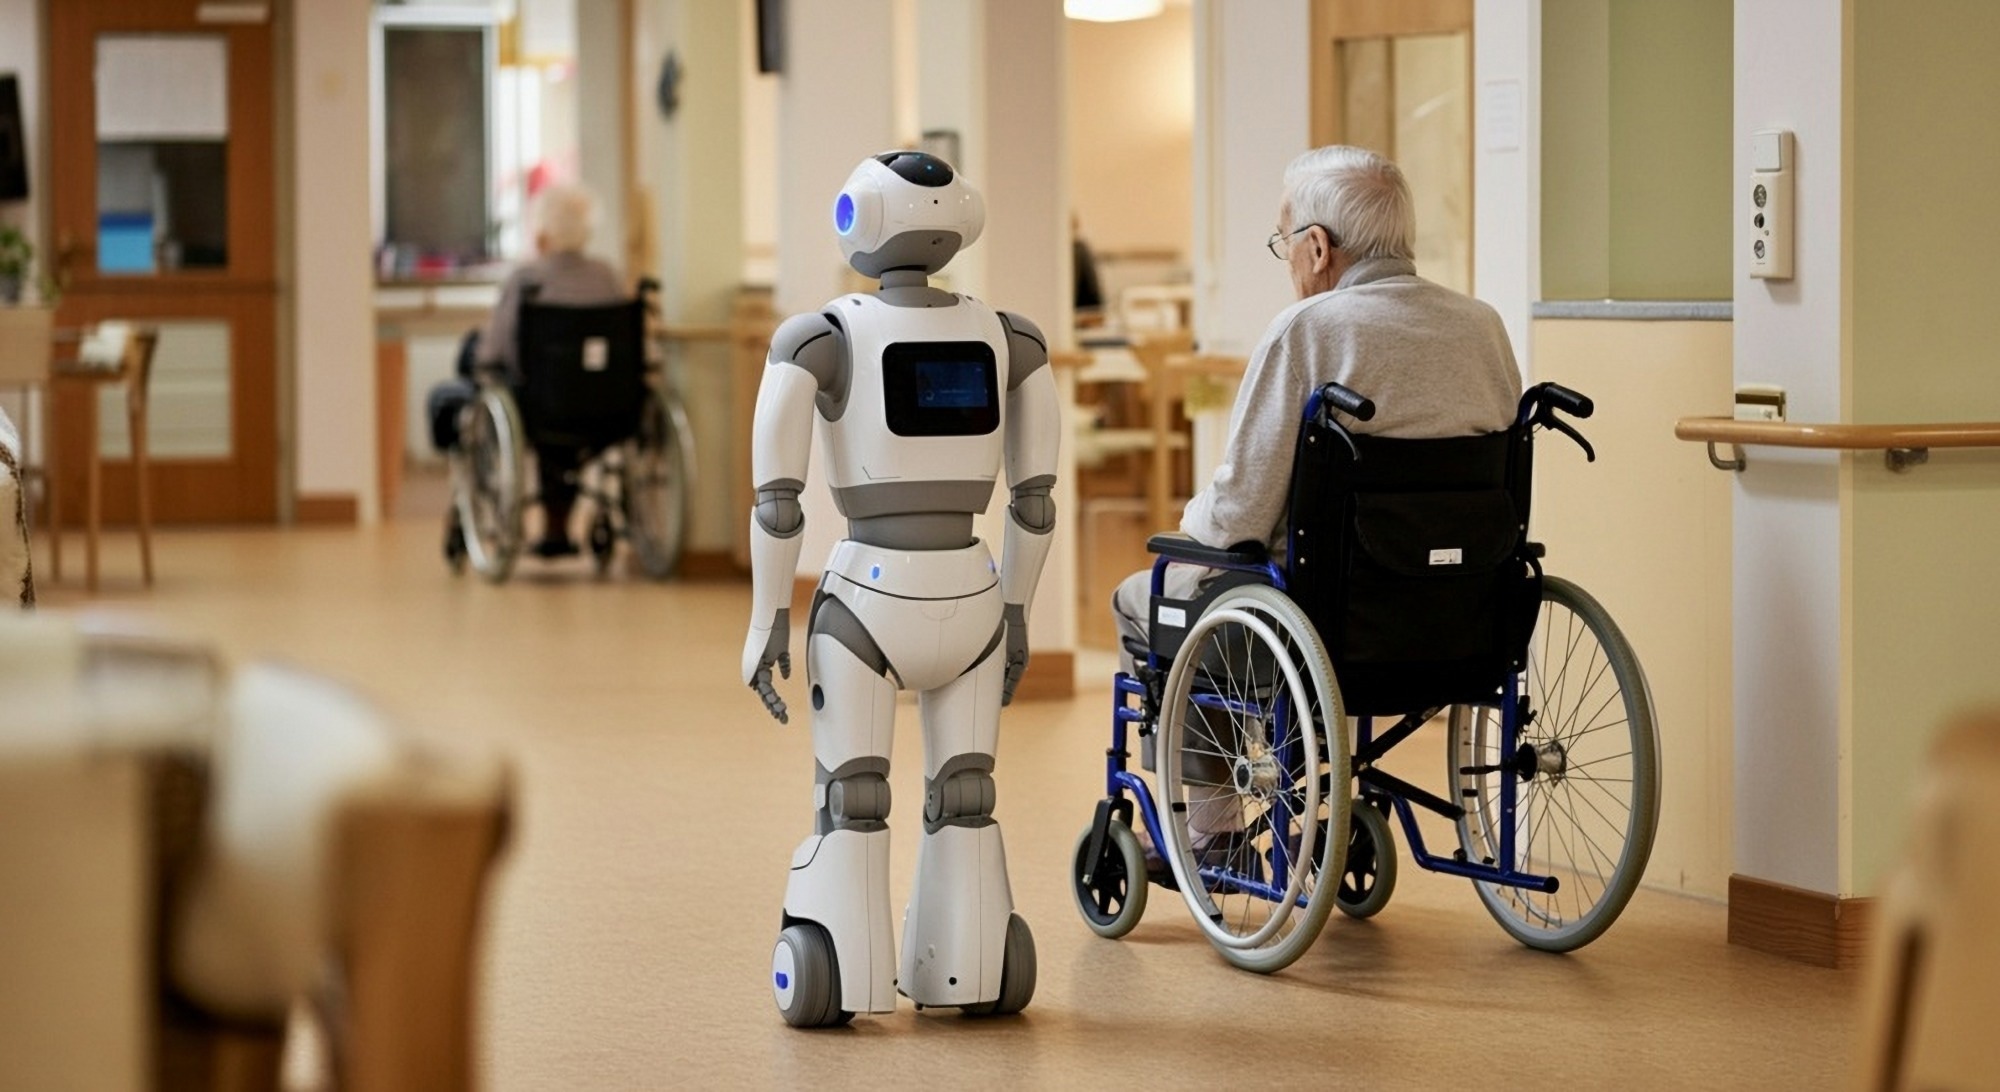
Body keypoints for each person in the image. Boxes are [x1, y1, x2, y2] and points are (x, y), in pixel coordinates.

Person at [1111, 145, 1522, 866]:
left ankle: (1212, 828)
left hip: (1323, 624)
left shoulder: (1310, 330)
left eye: (1284, 245)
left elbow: (1239, 515)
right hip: (1464, 619)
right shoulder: (1481, 326)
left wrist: (1189, 533)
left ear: (1318, 247)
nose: (1290, 263)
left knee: (1152, 598)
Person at [476, 182, 627, 558]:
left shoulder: (527, 279)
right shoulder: (606, 276)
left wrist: (482, 364)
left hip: (539, 404)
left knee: (480, 362)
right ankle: (557, 522)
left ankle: (550, 523)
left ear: (542, 232)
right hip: (603, 403)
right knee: (565, 398)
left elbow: (497, 350)